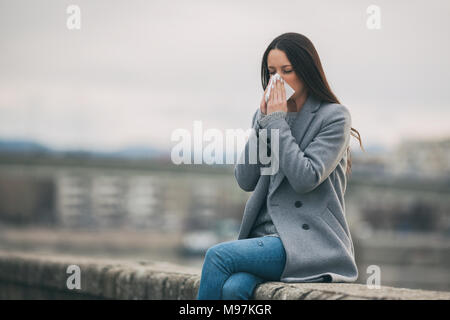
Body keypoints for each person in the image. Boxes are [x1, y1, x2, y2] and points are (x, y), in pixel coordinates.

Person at [196, 32, 364, 300]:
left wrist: (276, 123)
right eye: (272, 71)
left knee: (217, 256)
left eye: (287, 70)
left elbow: (305, 178)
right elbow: (245, 179)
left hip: (306, 242)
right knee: (233, 289)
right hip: (264, 238)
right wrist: (263, 122)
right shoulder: (265, 116)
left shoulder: (334, 117)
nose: (278, 79)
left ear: (306, 71)